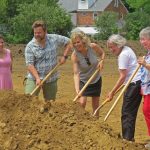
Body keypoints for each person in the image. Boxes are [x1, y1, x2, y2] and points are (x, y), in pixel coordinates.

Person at [25, 20, 71, 111]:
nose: (37, 35)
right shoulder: (30, 46)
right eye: (35, 33)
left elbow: (70, 42)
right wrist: (38, 78)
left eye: (39, 32)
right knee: (28, 101)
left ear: (45, 32)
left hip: (51, 78)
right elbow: (30, 65)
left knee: (50, 103)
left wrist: (64, 56)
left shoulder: (54, 38)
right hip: (34, 78)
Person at [107, 34, 142, 142]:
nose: (111, 50)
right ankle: (128, 137)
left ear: (118, 45)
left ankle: (127, 139)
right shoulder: (127, 49)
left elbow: (122, 77)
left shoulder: (123, 55)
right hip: (136, 82)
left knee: (127, 112)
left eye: (112, 47)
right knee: (129, 111)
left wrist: (112, 92)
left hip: (133, 83)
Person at [71, 31, 105, 117]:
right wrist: (77, 90)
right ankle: (81, 122)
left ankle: (96, 124)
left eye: (78, 42)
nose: (76, 44)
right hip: (83, 80)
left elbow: (102, 53)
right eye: (74, 43)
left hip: (96, 79)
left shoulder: (92, 47)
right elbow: (76, 73)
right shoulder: (75, 55)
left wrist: (101, 61)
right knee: (82, 102)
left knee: (95, 104)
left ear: (83, 40)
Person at [137, 27, 150, 149]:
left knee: (147, 111)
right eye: (141, 39)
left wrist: (145, 64)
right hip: (147, 89)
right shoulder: (148, 53)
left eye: (143, 39)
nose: (141, 42)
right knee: (147, 111)